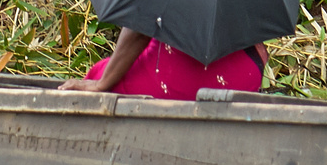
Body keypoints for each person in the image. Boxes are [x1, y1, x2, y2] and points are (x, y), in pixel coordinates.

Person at [59, 28, 267, 100]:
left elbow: (139, 31)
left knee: (101, 73)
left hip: (177, 74)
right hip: (247, 70)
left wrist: (101, 83)